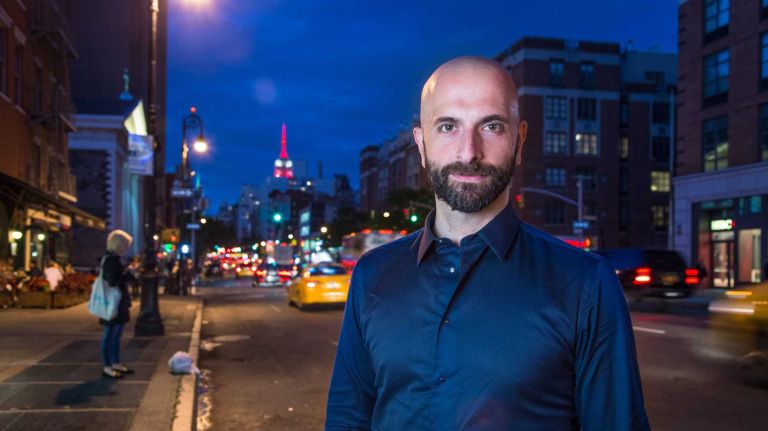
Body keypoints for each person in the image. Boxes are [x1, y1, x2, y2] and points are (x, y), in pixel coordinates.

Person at [326, 57, 649, 430]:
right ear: (421, 144)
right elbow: (347, 417)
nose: (468, 152)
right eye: (448, 126)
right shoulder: (372, 274)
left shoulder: (586, 284)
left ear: (520, 140)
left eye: (492, 126)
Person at [99, 230, 135, 379]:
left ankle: (115, 363)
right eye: (124, 245)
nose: (126, 248)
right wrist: (125, 271)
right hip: (112, 303)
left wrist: (126, 272)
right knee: (110, 334)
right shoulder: (110, 260)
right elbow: (113, 280)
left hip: (117, 303)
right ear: (118, 244)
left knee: (116, 334)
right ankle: (107, 365)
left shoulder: (115, 259)